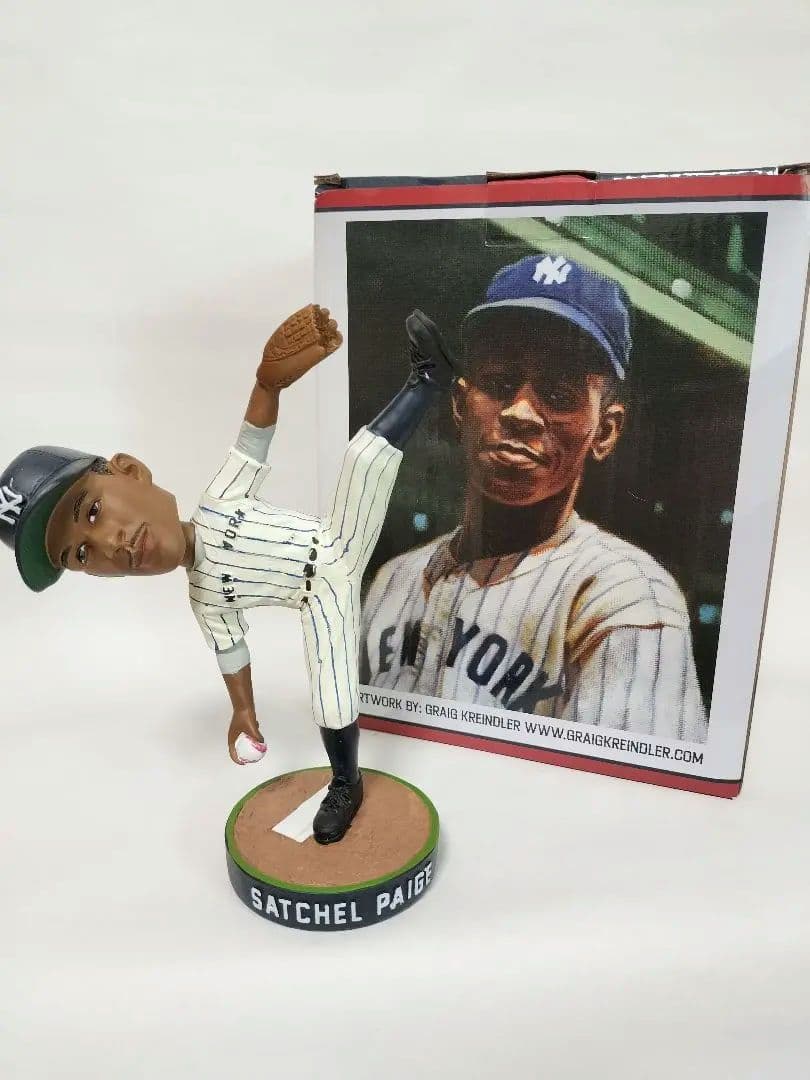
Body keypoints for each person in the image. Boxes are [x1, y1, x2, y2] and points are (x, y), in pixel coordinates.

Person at [0, 305, 457, 842]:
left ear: (129, 471)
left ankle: (428, 380)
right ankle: (345, 783)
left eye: (93, 511)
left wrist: (268, 385)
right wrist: (243, 710)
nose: (108, 545)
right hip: (319, 599)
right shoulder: (205, 598)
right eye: (80, 555)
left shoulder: (219, 498)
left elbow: (252, 439)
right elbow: (232, 650)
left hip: (340, 538)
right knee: (330, 696)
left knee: (361, 454)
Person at [361, 255, 708, 743]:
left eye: (559, 395)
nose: (521, 412)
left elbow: (614, 786)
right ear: (460, 404)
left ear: (605, 431)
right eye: (500, 384)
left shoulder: (626, 598)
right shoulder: (394, 580)